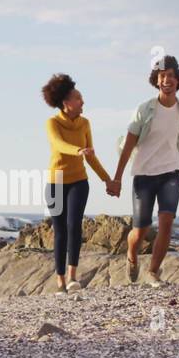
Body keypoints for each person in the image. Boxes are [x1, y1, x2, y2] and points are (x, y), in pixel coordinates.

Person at [109, 55, 179, 287]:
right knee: (141, 229)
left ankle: (153, 272)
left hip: (171, 172)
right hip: (144, 174)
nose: (167, 80)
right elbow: (128, 145)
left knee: (166, 220)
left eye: (171, 76)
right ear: (156, 80)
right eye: (162, 76)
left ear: (178, 80)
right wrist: (117, 178)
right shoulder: (144, 109)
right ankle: (132, 256)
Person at [41, 73, 117, 293]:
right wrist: (78, 150)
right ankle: (60, 279)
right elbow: (59, 144)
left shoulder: (85, 123)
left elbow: (91, 156)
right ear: (66, 103)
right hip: (55, 182)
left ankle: (73, 277)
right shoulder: (52, 123)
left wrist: (107, 180)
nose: (82, 102)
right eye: (78, 99)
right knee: (60, 230)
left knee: (74, 226)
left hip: (79, 181)